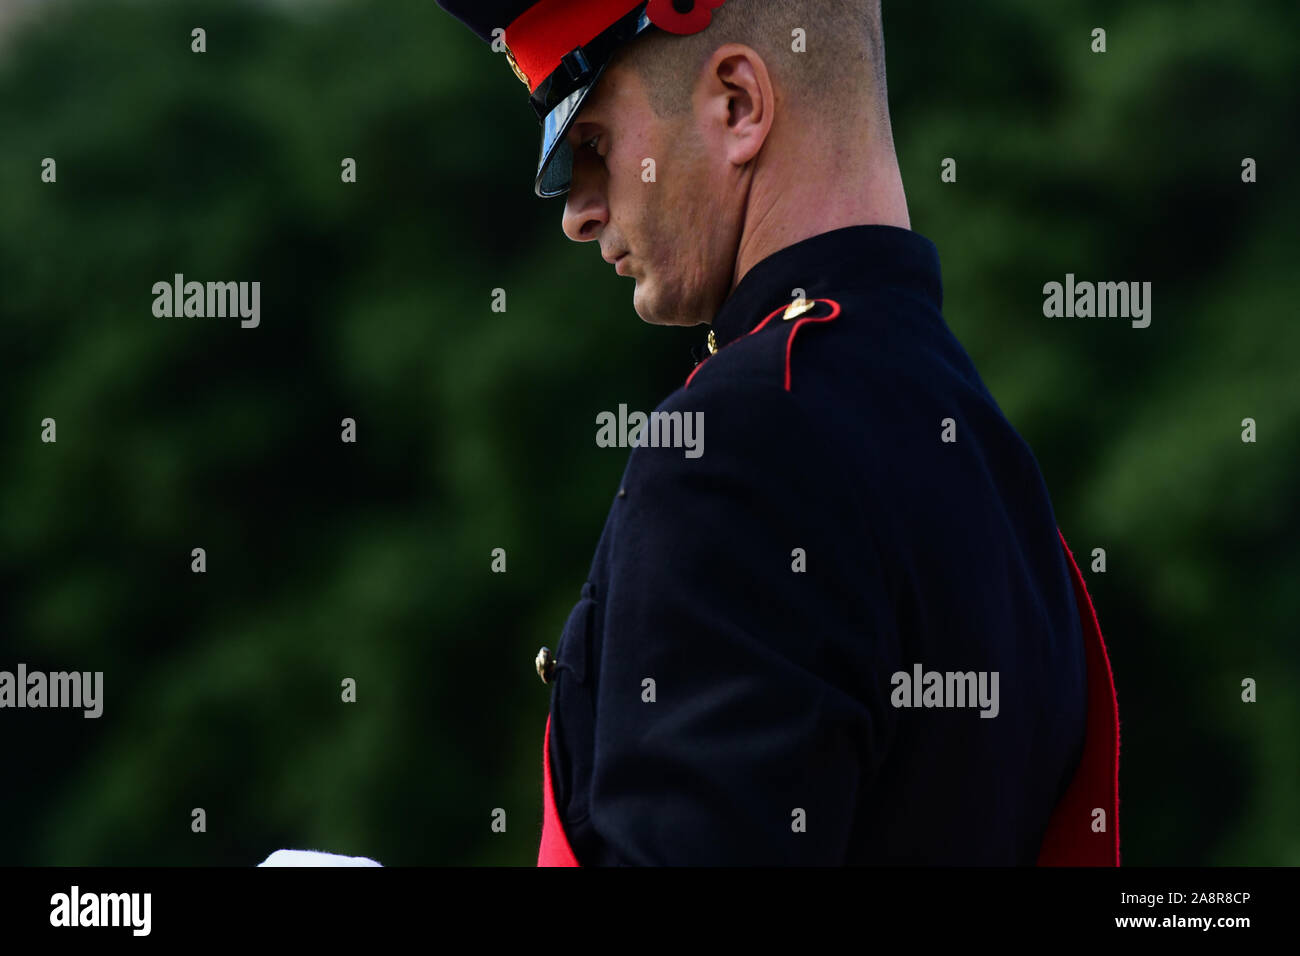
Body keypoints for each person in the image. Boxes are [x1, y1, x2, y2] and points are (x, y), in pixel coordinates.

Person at [437, 0, 1120, 865]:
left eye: (595, 145)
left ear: (737, 106)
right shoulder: (984, 446)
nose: (577, 212)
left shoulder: (739, 448)